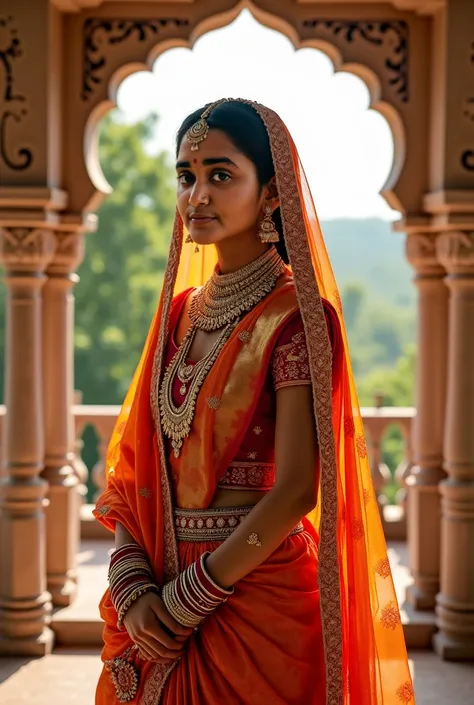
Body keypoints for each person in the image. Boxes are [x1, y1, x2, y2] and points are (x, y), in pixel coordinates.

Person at [93, 98, 414, 705]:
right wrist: (131, 581)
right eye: (186, 177)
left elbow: (296, 489)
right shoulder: (179, 313)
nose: (197, 196)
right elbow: (136, 470)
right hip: (157, 592)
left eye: (221, 175)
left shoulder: (298, 317)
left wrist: (192, 597)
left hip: (251, 597)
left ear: (270, 194)